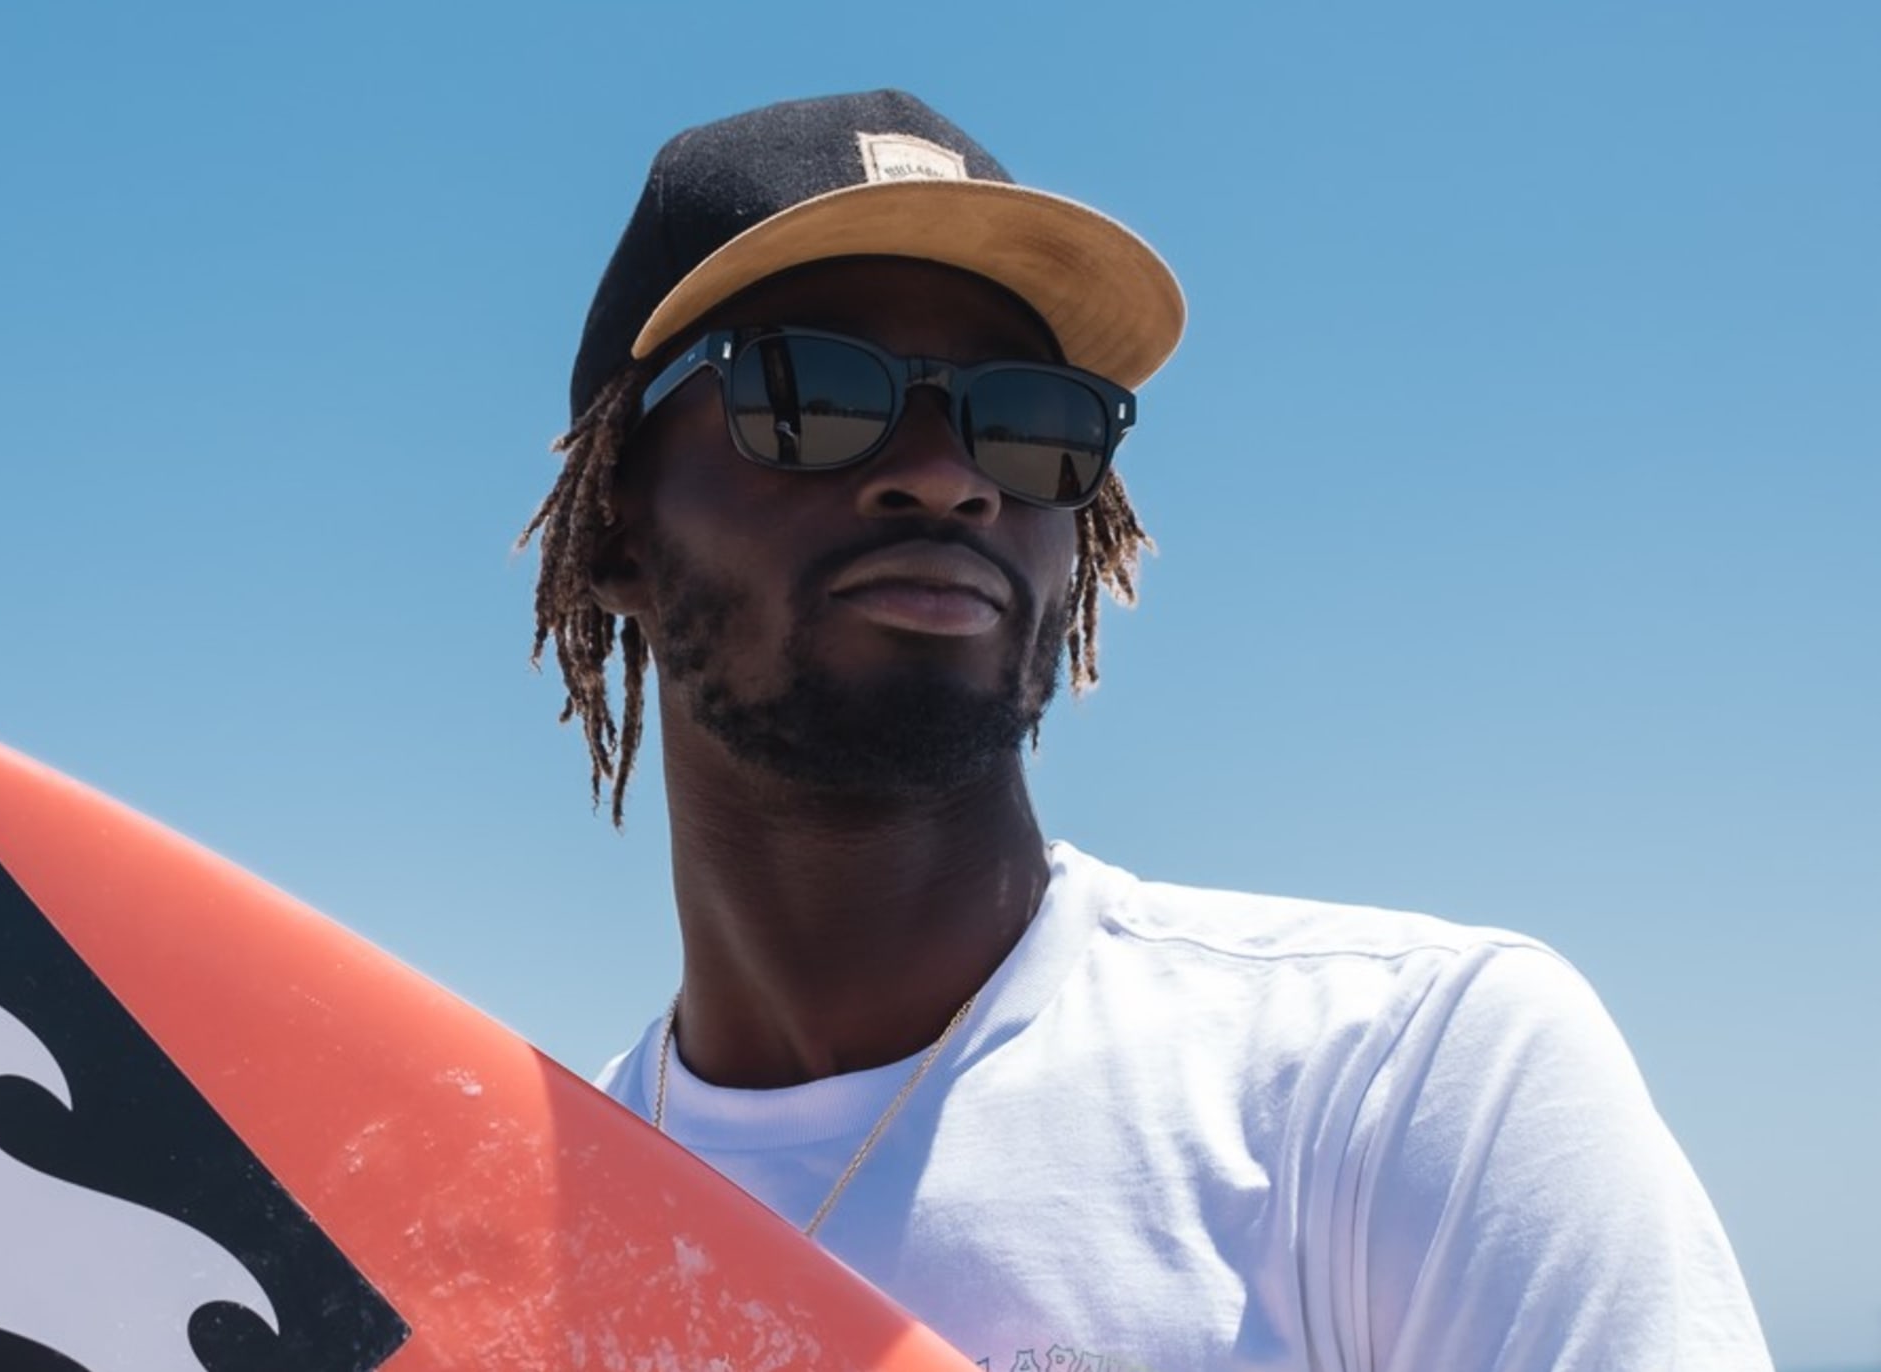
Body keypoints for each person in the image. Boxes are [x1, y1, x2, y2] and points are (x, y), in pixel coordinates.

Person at [519, 90, 1770, 1371]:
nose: (948, 472)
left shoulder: (1401, 1089)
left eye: (1029, 417)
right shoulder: (509, 1234)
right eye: (806, 390)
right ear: (614, 519)